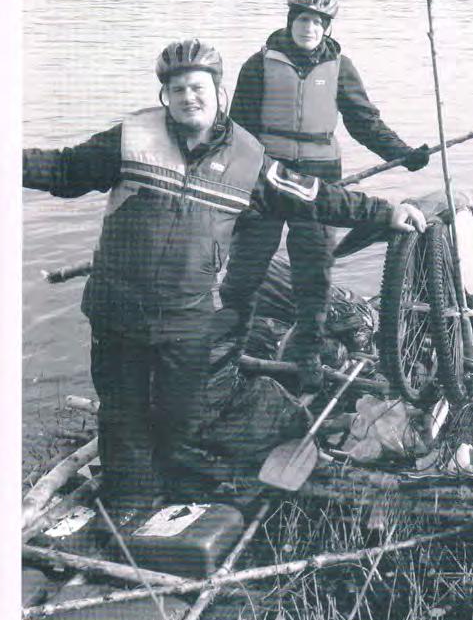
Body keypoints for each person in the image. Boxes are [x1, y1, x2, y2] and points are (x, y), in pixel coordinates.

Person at [22, 38, 426, 511]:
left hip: (186, 317)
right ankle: (128, 508)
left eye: (197, 87)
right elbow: (65, 169)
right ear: (164, 97)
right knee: (123, 416)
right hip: (117, 310)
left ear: (219, 93)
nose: (187, 98)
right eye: (177, 90)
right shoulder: (131, 138)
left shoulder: (248, 158)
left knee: (183, 419)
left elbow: (314, 196)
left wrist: (384, 212)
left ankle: (179, 505)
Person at [219, 0, 430, 377]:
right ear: (290, 21)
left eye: (318, 22)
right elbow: (237, 132)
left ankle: (307, 359)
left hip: (320, 179)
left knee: (313, 272)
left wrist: (402, 153)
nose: (309, 28)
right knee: (245, 268)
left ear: (328, 27)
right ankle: (228, 353)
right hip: (266, 179)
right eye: (303, 19)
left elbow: (364, 122)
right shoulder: (257, 65)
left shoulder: (341, 68)